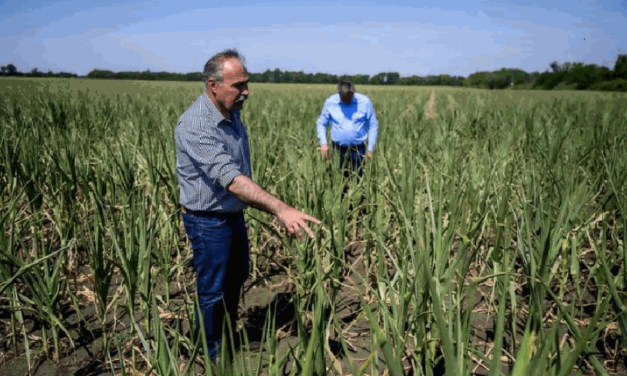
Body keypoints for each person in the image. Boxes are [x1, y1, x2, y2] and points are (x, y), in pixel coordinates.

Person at [175, 49, 320, 359]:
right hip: (207, 220)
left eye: (246, 83)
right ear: (213, 85)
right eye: (238, 85)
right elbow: (233, 180)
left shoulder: (231, 111)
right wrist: (282, 209)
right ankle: (212, 352)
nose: (246, 92)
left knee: (237, 276)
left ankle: (225, 337)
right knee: (213, 290)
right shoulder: (196, 125)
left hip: (231, 215)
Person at [316, 81, 379, 179]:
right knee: (338, 179)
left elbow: (373, 125)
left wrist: (370, 149)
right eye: (344, 97)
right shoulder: (331, 102)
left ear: (354, 92)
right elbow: (322, 123)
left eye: (350, 96)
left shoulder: (364, 102)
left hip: (358, 149)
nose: (347, 99)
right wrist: (323, 144)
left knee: (358, 179)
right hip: (338, 149)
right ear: (339, 93)